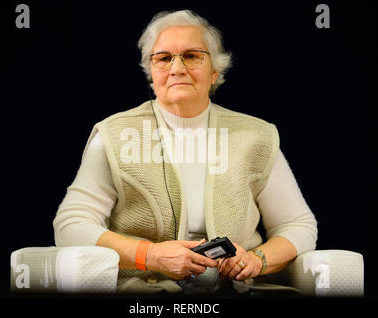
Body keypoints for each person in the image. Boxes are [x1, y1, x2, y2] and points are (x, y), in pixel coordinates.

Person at [53, 10, 317, 294]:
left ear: (215, 71)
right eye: (164, 58)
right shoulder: (113, 134)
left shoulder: (256, 136)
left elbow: (297, 224)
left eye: (192, 56)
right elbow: (71, 225)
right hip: (146, 293)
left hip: (236, 290)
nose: (177, 68)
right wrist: (149, 255)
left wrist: (256, 260)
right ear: (152, 73)